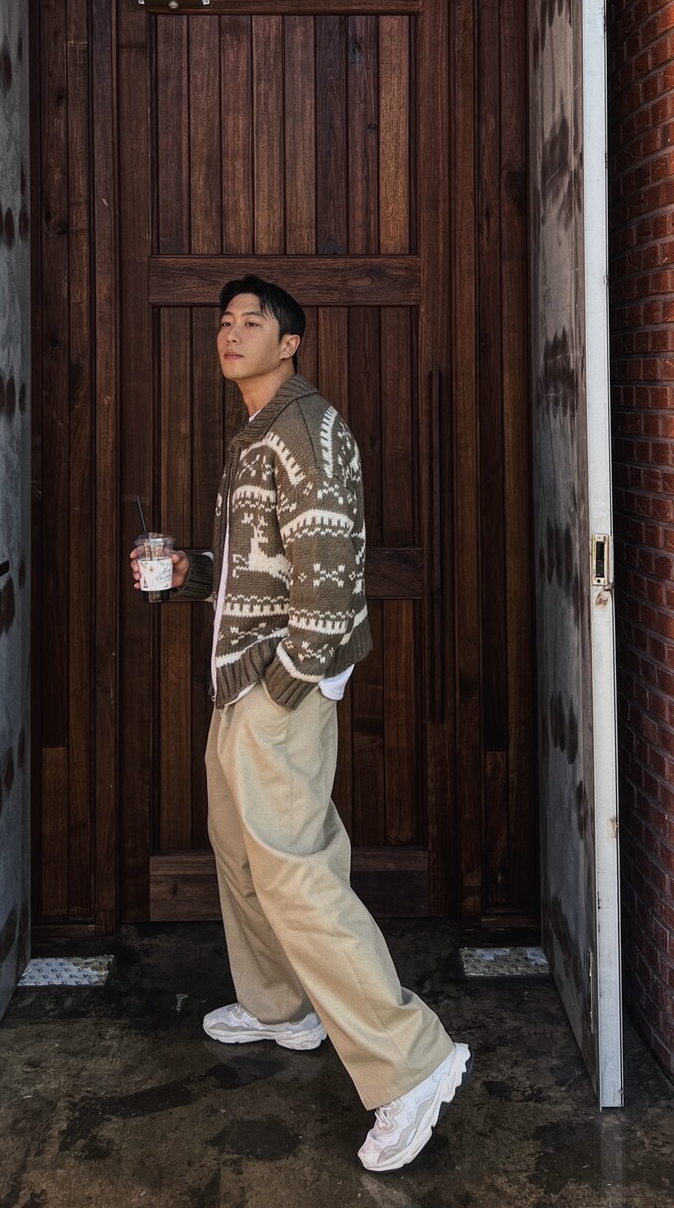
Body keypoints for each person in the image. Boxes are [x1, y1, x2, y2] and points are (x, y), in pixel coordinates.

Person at [130, 275, 470, 1172]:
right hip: (240, 683)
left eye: (253, 322)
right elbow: (268, 562)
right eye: (224, 321)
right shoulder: (258, 433)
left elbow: (331, 570)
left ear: (290, 344)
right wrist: (191, 573)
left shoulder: (306, 428)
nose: (231, 332)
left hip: (273, 691)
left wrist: (286, 685)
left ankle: (412, 1063)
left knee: (300, 878)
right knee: (243, 858)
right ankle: (281, 1006)